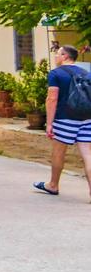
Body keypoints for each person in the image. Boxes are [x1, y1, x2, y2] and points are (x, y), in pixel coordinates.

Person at [34, 44, 91, 199]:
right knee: (88, 155)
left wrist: (50, 123)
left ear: (65, 56)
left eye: (58, 54)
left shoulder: (56, 74)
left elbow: (52, 98)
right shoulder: (86, 73)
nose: (56, 56)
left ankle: (53, 185)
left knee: (59, 152)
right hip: (86, 118)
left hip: (64, 118)